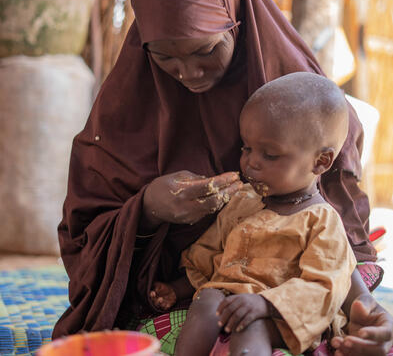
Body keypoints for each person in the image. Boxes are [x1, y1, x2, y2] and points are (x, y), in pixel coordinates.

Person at [53, 0, 393, 356]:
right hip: (191, 291)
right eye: (164, 56)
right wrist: (149, 208)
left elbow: (334, 229)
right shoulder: (125, 109)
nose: (188, 72)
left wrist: (363, 303)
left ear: (236, 18)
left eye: (205, 50)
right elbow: (86, 237)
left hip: (292, 296)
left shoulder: (299, 98)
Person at [149, 72, 357, 356]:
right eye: (246, 148)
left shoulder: (322, 221)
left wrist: (265, 304)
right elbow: (211, 255)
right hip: (229, 300)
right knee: (207, 298)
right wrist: (178, 288)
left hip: (281, 317)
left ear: (320, 162)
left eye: (270, 155)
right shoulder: (244, 201)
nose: (251, 163)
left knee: (252, 323)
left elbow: (325, 286)